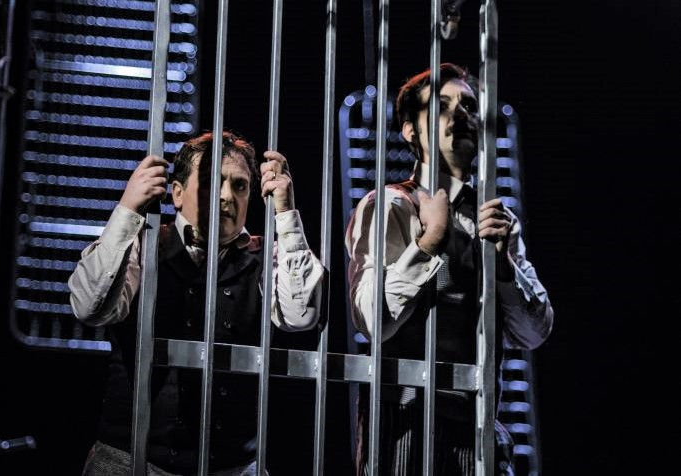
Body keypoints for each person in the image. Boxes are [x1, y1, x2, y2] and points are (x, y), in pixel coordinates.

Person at [68, 130, 324, 475]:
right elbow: (89, 308)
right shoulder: (142, 245)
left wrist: (286, 215)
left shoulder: (269, 256)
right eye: (211, 182)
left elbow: (301, 316)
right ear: (176, 193)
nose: (226, 196)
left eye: (240, 185)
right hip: (130, 462)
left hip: (233, 467)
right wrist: (128, 210)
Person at [345, 63, 554, 475]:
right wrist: (429, 242)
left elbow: (534, 333)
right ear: (410, 131)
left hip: (481, 424)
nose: (459, 113)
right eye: (441, 106)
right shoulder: (391, 204)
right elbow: (371, 319)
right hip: (406, 423)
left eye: (469, 106)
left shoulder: (497, 219)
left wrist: (504, 268)